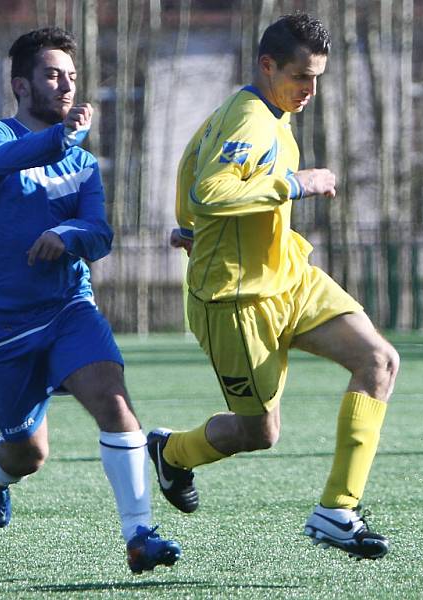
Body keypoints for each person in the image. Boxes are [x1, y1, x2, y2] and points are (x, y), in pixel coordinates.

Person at [149, 13, 399, 560]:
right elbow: (212, 187)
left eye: (317, 78)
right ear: (267, 66)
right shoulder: (249, 120)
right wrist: (297, 183)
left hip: (291, 277)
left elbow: (190, 167)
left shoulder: (266, 110)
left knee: (378, 360)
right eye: (301, 77)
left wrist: (189, 226)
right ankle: (172, 453)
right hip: (237, 301)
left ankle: (338, 509)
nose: (310, 90)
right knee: (259, 433)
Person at [0, 27, 180, 574]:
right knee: (28, 454)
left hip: (67, 308)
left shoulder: (81, 164)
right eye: (53, 75)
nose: (66, 86)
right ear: (21, 85)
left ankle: (139, 534)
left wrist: (69, 237)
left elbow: (99, 234)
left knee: (113, 399)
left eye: (72, 77)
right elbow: (12, 158)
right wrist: (64, 140)